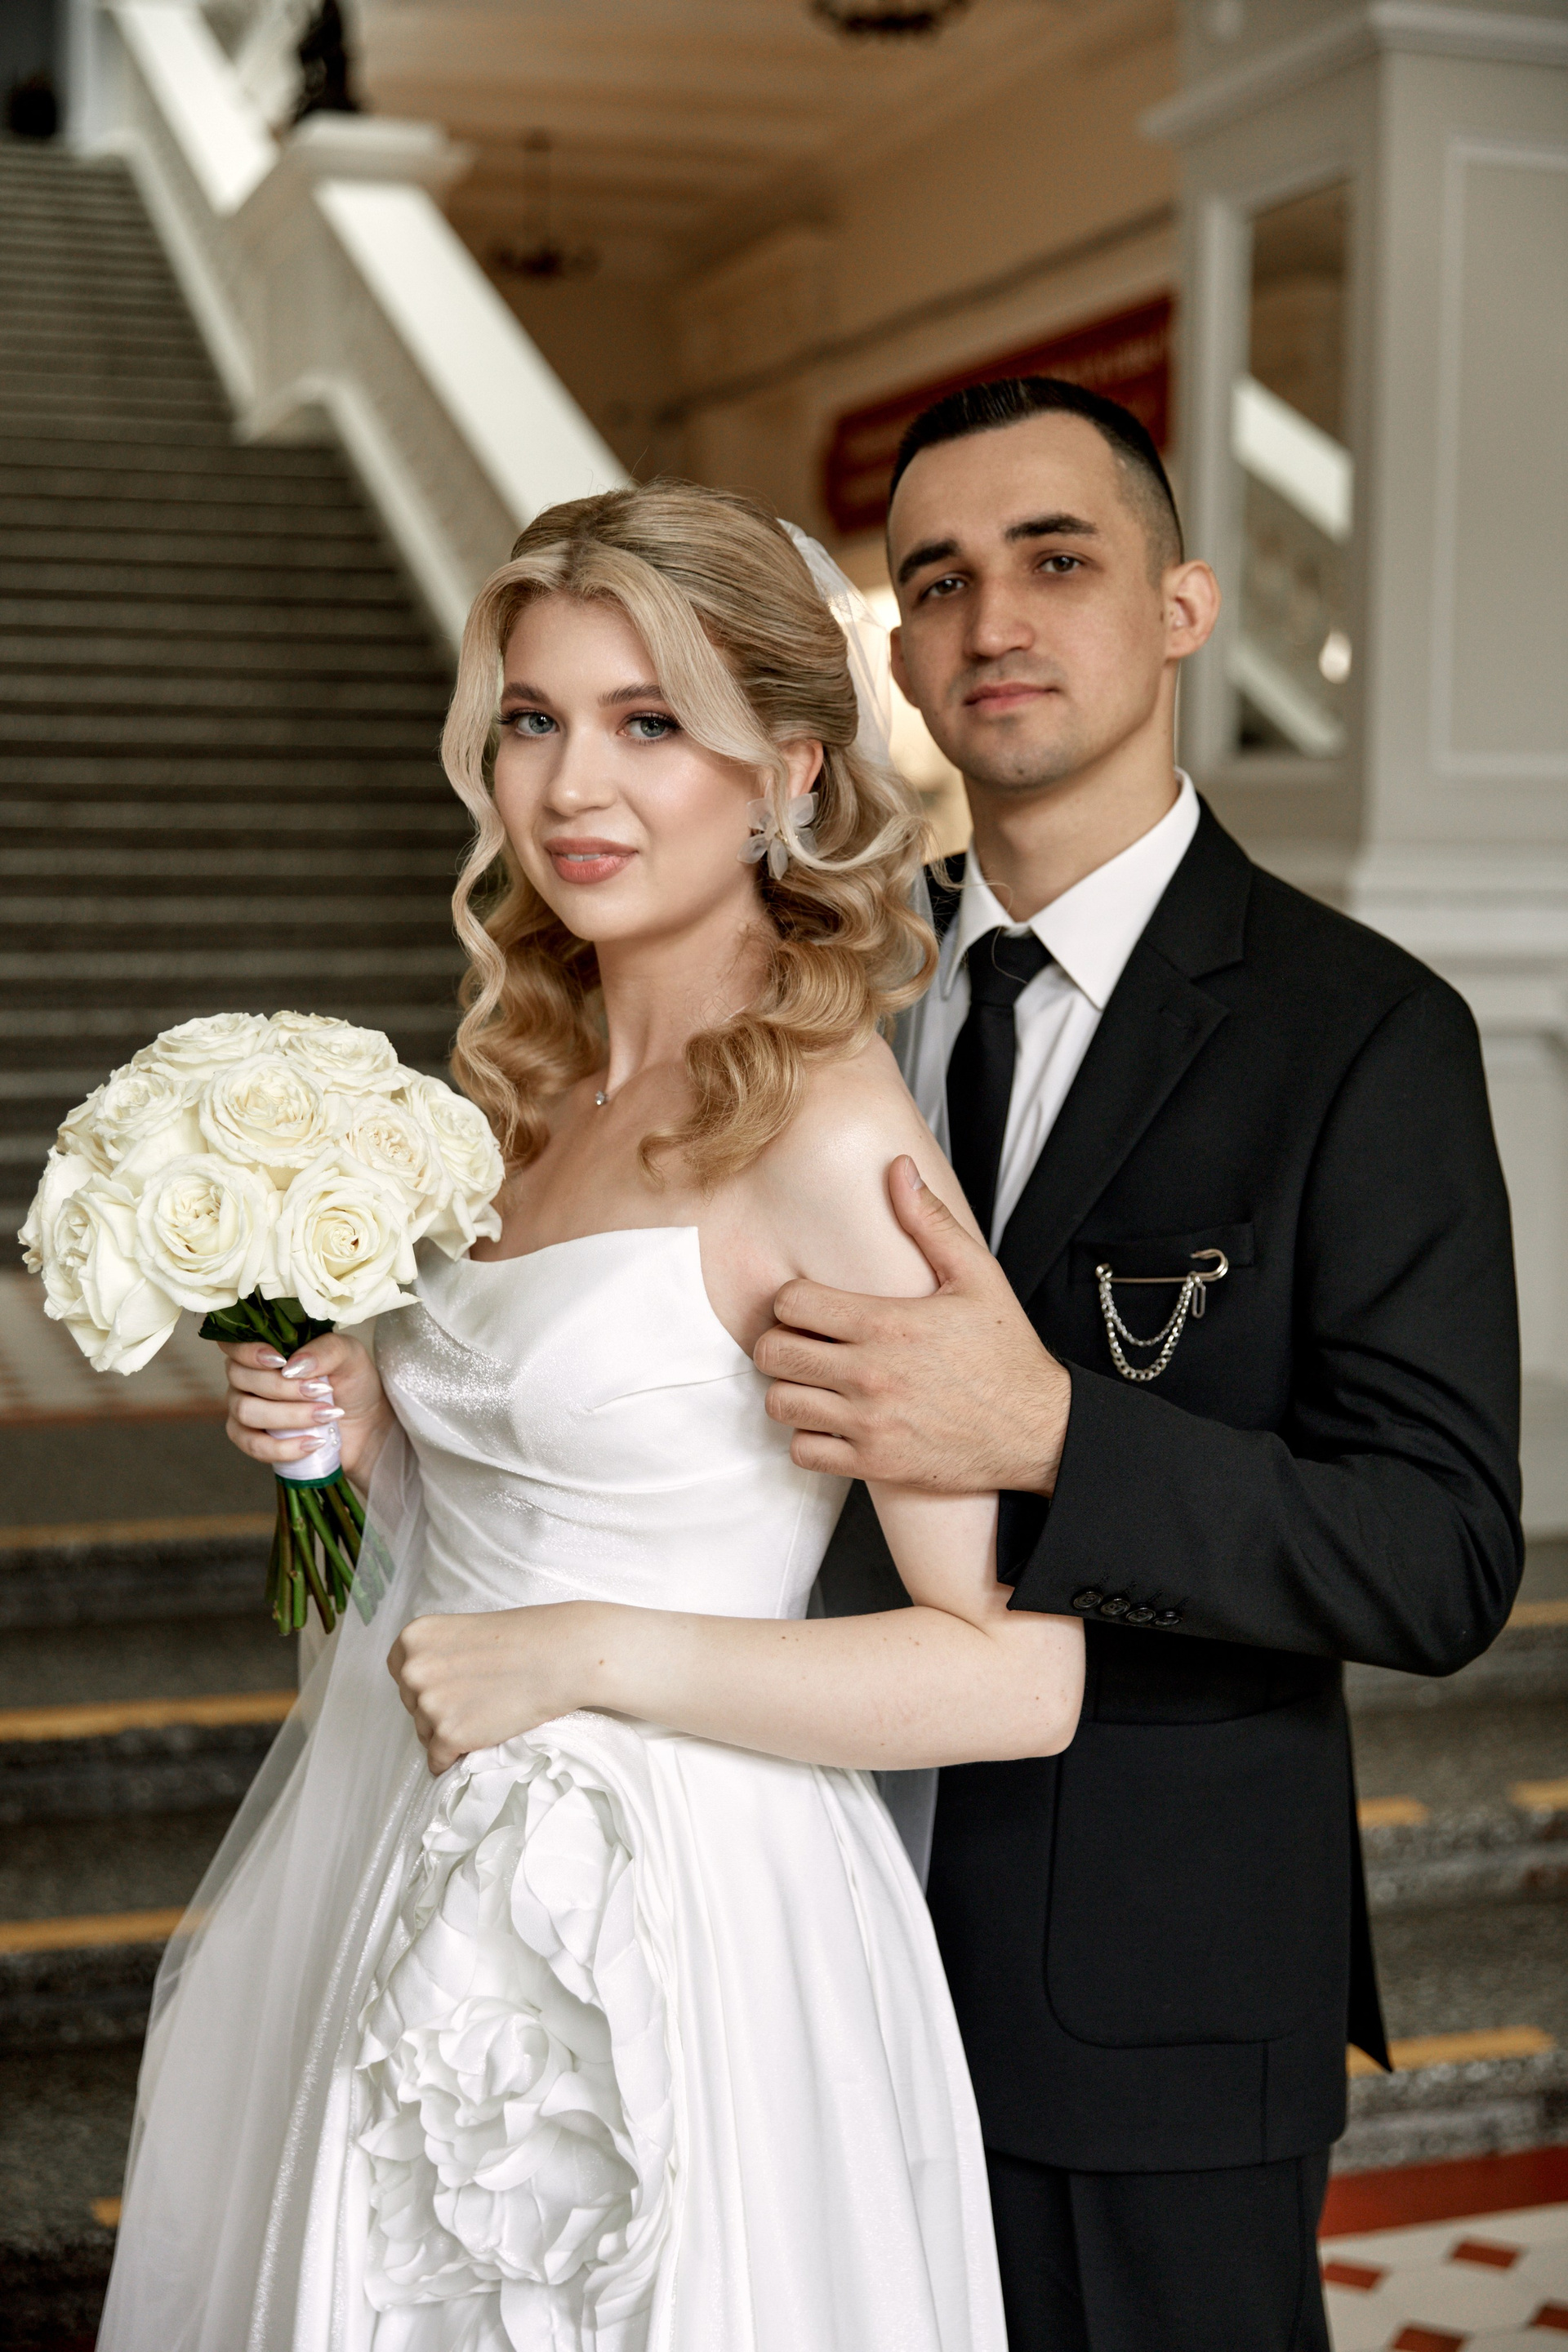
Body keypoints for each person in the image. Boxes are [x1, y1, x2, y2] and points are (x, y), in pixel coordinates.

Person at [96, 481, 1085, 2352]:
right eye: (535, 720)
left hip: (689, 1907)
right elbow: (456, 1536)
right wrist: (352, 1434)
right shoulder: (514, 1094)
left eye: (649, 723)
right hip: (422, 1845)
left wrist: (590, 1654)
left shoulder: (833, 1138)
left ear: (789, 768)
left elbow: (1008, 1677)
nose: (571, 788)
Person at [766, 376, 1524, 2351]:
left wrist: (1050, 1431)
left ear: (1184, 607)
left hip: (1150, 1990)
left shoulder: (1363, 1035)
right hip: (798, 1946)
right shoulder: (826, 999)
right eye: (939, 580)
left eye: (1057, 560)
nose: (992, 620)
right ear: (900, 655)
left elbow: (1438, 1557)